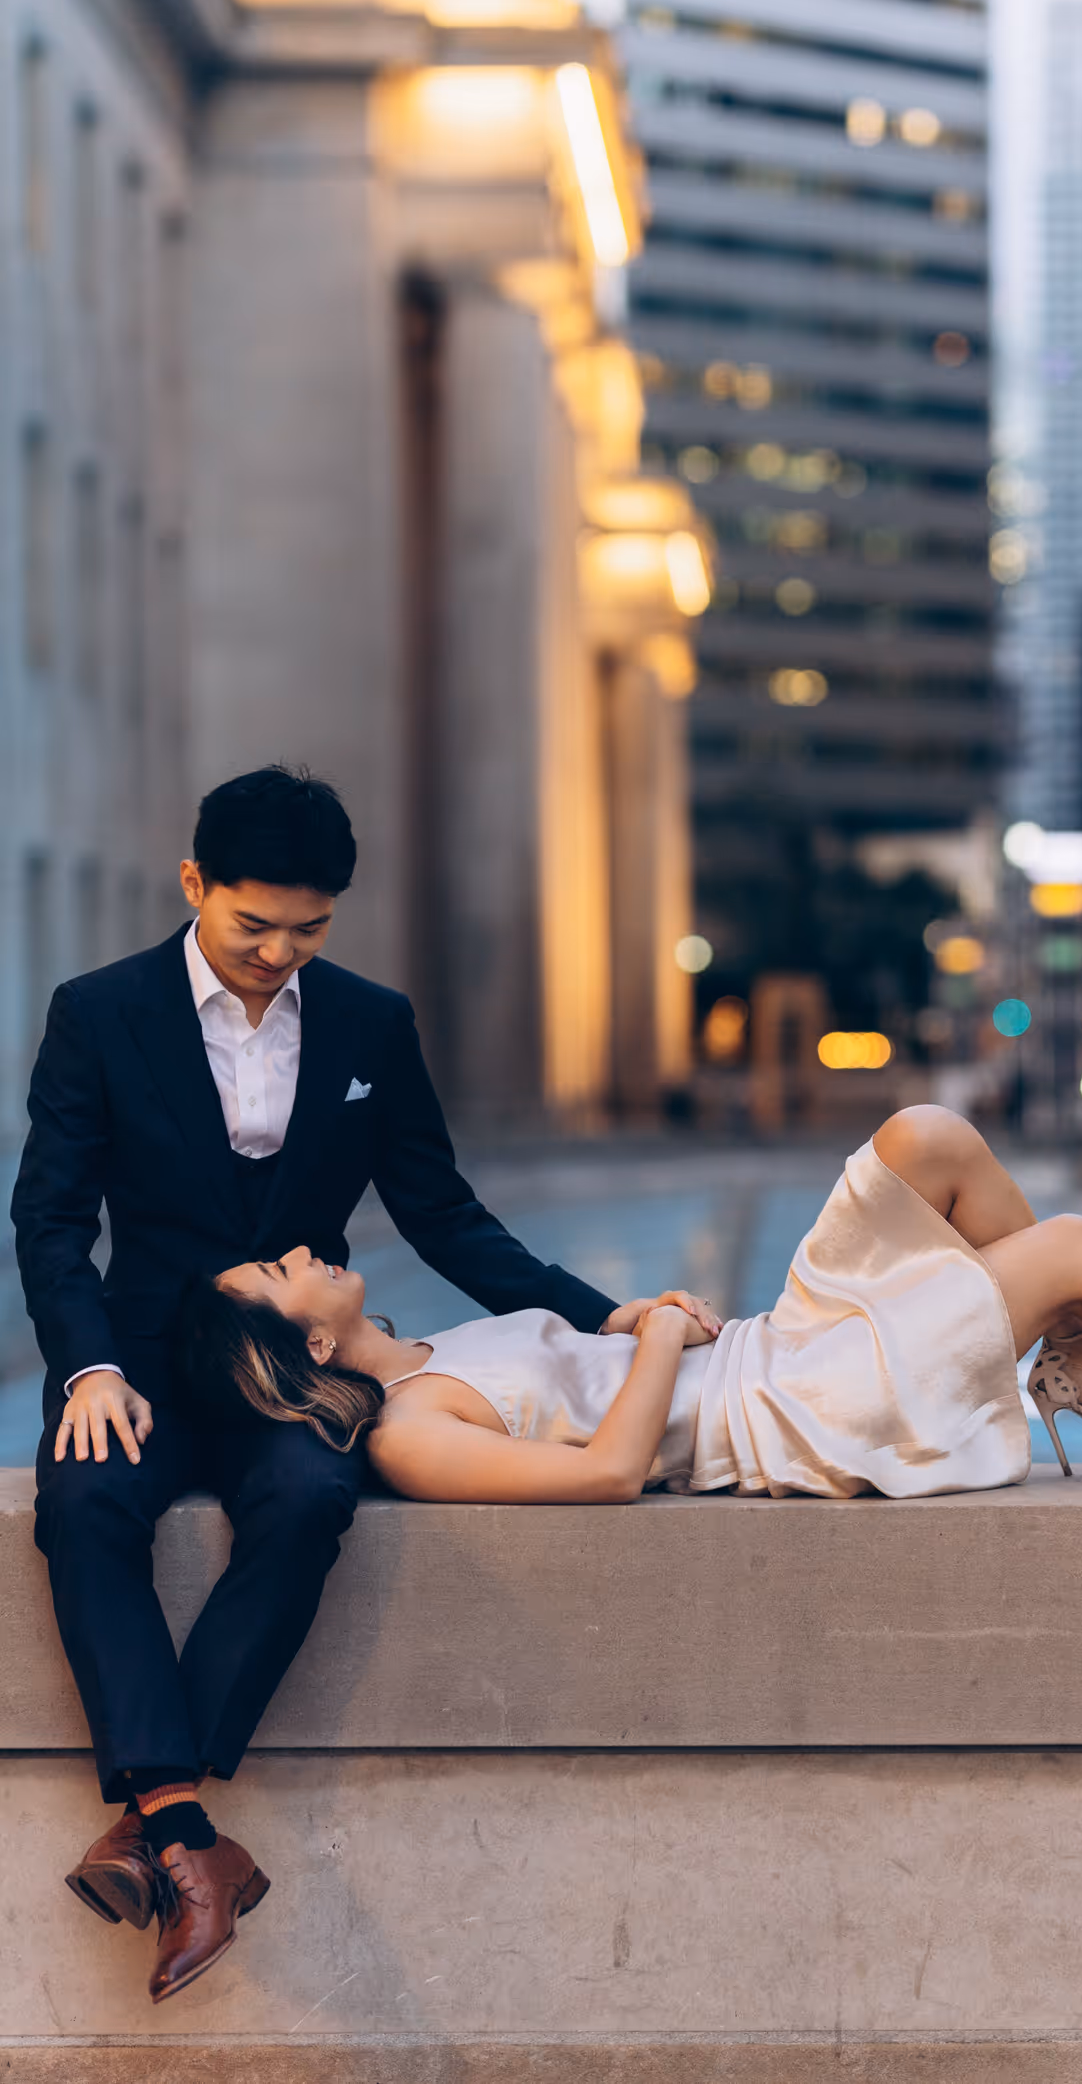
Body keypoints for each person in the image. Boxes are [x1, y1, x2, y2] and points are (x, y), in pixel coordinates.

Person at [10, 765, 713, 2006]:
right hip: (144, 1357)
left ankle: (160, 1826)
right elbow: (52, 1219)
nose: (280, 953)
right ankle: (188, 1835)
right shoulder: (99, 1011)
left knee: (308, 1500)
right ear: (195, 887)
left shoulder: (369, 1023)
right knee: (84, 1503)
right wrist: (91, 1369)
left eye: (310, 929)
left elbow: (442, 1211)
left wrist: (609, 1315)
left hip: (298, 1374)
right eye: (253, 925)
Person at [177, 1104, 1082, 1515]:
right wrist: (643, 1341)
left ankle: (1078, 1355)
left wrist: (633, 1322)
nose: (298, 1249)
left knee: (929, 1137)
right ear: (302, 1339)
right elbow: (613, 1472)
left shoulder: (428, 1345)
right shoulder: (411, 1425)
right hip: (784, 1409)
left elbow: (571, 1383)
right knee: (1074, 1246)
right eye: (279, 1272)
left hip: (760, 1348)